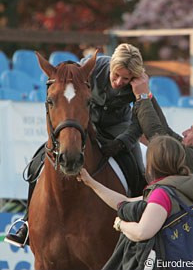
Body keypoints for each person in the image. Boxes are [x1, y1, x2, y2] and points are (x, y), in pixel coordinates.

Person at [4, 43, 146, 247]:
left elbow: (140, 120)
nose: (119, 82)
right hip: (85, 120)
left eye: (126, 79)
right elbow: (71, 74)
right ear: (111, 66)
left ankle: (139, 224)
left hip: (118, 127)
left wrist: (122, 142)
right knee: (38, 161)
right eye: (116, 76)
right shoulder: (95, 67)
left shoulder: (140, 83)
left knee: (137, 169)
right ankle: (27, 222)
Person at [76, 135, 193, 270]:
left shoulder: (161, 194)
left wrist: (121, 225)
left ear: (154, 163)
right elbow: (124, 201)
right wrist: (90, 182)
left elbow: (142, 232)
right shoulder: (182, 187)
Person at [130, 72, 193, 212]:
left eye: (191, 130)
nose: (184, 133)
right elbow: (166, 131)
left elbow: (159, 137)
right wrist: (148, 95)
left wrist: (142, 97)